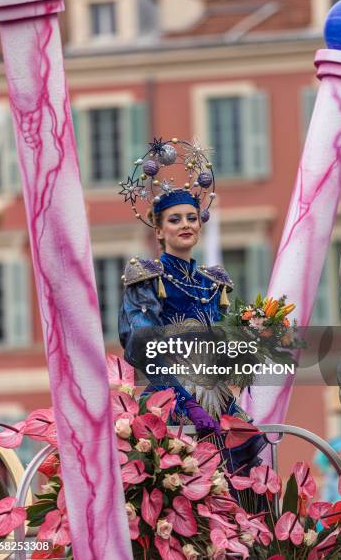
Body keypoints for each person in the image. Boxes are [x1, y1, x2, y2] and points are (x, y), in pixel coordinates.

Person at [118, 137, 266, 469]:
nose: (185, 224)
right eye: (175, 219)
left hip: (217, 398)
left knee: (247, 450)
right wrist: (187, 404)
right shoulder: (146, 276)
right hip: (167, 396)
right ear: (158, 231)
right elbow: (144, 349)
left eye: (191, 217)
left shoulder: (214, 281)